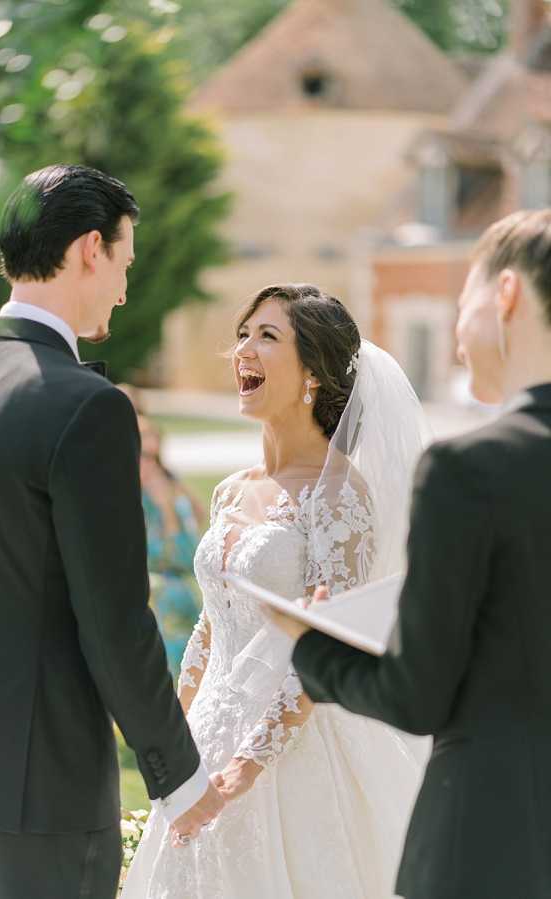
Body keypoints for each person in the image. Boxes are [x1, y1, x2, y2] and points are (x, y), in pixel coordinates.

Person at [0, 164, 223, 899]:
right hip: (47, 796)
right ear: (89, 249)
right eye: (125, 263)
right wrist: (180, 775)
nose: (125, 289)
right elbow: (113, 620)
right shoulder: (88, 406)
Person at [274, 210, 551, 899]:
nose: (458, 336)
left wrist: (312, 648)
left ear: (507, 295)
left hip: (494, 847)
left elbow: (416, 693)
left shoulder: (473, 468)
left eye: (464, 303)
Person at [122, 283, 430, 899]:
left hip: (296, 751)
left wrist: (245, 769)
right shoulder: (232, 489)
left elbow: (328, 643)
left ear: (313, 373)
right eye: (243, 334)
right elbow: (212, 624)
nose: (244, 349)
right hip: (207, 737)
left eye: (268, 337)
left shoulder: (340, 496)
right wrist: (177, 739)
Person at [138, 415, 204, 678]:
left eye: (153, 458)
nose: (147, 465)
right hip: (152, 594)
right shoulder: (126, 497)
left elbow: (188, 554)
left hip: (179, 591)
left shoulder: (171, 491)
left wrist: (169, 511)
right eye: (142, 455)